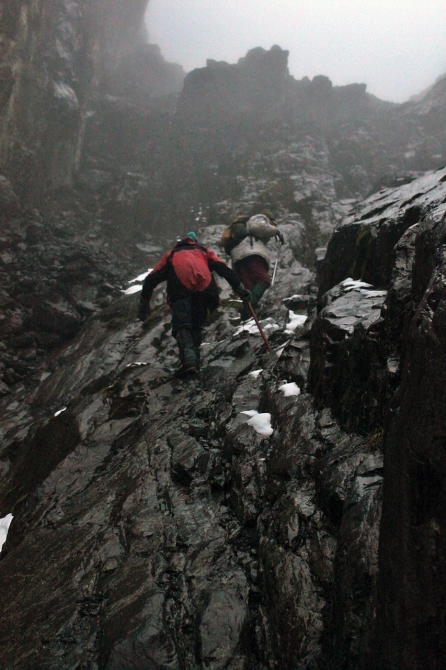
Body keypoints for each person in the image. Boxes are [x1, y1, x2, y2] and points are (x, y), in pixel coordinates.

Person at [138, 232, 251, 376]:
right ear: (194, 241)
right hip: (206, 291)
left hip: (180, 292)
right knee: (196, 325)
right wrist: (241, 290)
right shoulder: (203, 251)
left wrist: (144, 303)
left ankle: (189, 363)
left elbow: (151, 279)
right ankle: (194, 363)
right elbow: (223, 269)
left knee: (182, 325)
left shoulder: (171, 254)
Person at [221, 212, 284, 319]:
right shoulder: (259, 218)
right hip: (251, 253)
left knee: (250, 288)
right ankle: (248, 307)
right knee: (263, 280)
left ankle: (249, 314)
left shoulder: (239, 231)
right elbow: (258, 227)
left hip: (238, 259)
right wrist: (276, 232)